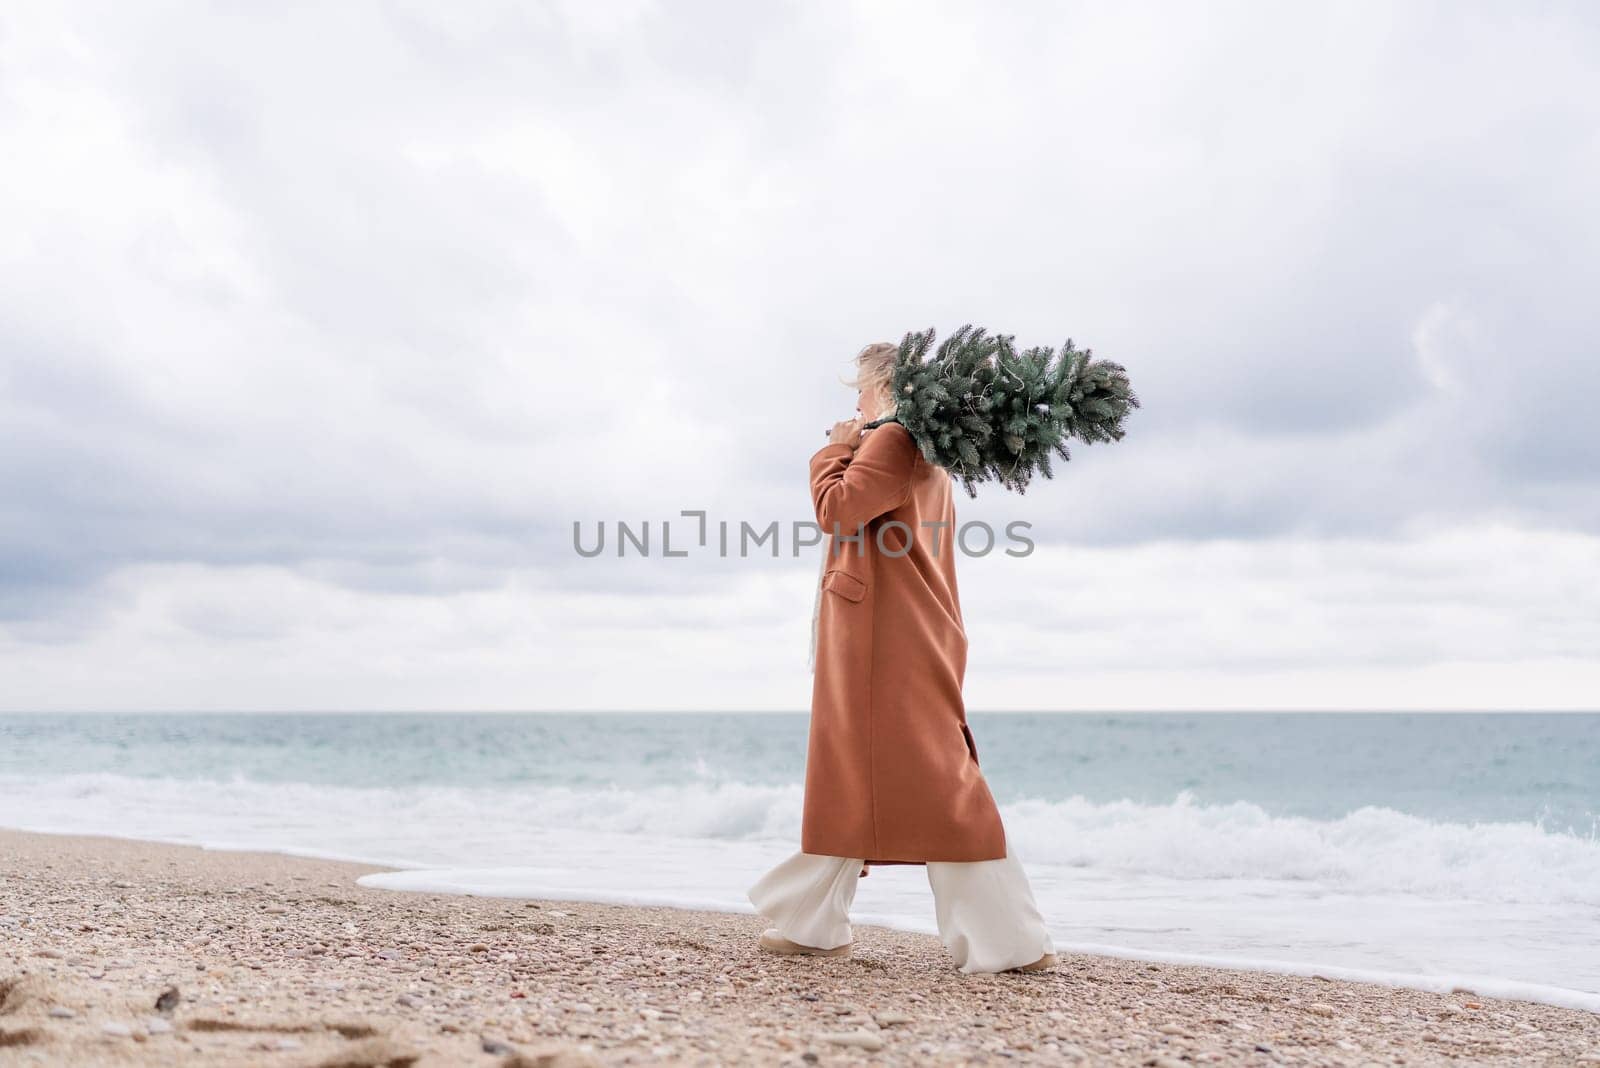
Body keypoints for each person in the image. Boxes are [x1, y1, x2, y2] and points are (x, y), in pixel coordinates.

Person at [747, 342, 1058, 975]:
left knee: (940, 782)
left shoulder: (892, 440)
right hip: (894, 633)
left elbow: (837, 512)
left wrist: (834, 447)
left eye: (859, 389)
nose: (853, 403)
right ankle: (811, 922)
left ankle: (1012, 942)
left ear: (885, 388)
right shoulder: (922, 447)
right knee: (858, 775)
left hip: (884, 642)